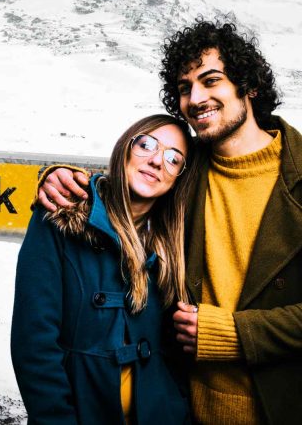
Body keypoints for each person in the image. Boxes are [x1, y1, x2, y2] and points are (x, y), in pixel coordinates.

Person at [36, 20, 302, 424]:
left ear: (248, 86)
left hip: (281, 405)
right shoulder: (185, 168)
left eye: (210, 80)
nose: (195, 98)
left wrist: (232, 333)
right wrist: (60, 177)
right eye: (183, 88)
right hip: (185, 408)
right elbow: (127, 181)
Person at [11, 114, 193, 424]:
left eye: (174, 159)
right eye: (147, 144)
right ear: (125, 148)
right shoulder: (60, 215)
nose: (157, 161)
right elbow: (34, 345)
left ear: (178, 177)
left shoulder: (175, 243)